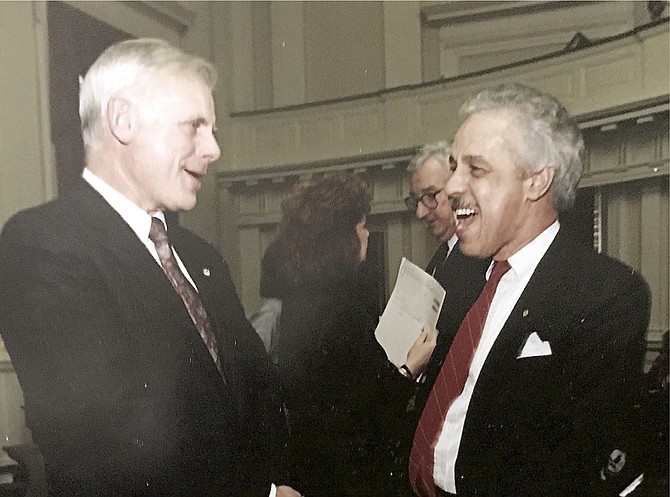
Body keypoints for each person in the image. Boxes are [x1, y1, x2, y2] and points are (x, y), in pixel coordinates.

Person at [0, 38, 299, 497]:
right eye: (194, 126)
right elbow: (113, 446)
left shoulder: (202, 258)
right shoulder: (43, 244)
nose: (214, 149)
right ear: (123, 120)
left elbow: (259, 394)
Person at [408, 83, 651, 497]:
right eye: (453, 167)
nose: (451, 187)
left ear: (536, 182)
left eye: (475, 169)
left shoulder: (607, 295)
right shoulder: (457, 277)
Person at [271, 173, 438, 497]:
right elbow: (370, 410)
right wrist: (410, 369)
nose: (366, 234)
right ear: (340, 237)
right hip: (351, 478)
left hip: (315, 470)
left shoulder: (299, 297)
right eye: (361, 226)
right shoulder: (341, 306)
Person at [249, 240, 283, 363]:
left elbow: (252, 358)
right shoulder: (280, 310)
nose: (261, 278)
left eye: (266, 271)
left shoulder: (270, 314)